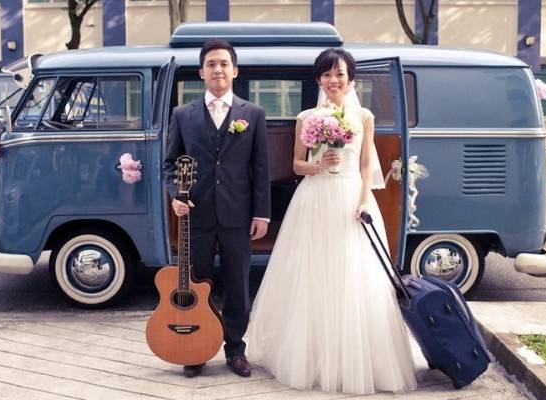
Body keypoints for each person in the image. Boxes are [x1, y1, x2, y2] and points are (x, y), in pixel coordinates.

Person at [248, 48, 418, 394]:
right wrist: (318, 165)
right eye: (326, 75)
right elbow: (297, 165)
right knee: (312, 275)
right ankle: (312, 356)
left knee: (353, 277)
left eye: (339, 74)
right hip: (314, 198)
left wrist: (363, 201)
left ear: (351, 79)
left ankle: (356, 360)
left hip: (349, 198)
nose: (333, 81)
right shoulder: (306, 117)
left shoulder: (364, 117)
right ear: (318, 80)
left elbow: (366, 166)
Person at [164, 38, 271, 378]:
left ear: (234, 70)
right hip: (196, 215)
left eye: (224, 63)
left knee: (239, 286)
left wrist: (262, 213)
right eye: (211, 64)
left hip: (238, 216)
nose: (218, 69)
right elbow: (169, 165)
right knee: (197, 283)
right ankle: (196, 348)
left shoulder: (252, 114)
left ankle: (235, 349)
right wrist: (175, 196)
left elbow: (260, 169)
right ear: (201, 72)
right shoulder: (183, 115)